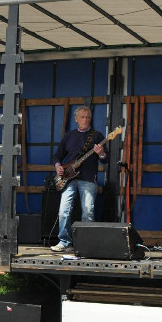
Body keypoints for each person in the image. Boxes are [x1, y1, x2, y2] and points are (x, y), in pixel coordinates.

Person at [51, 106, 108, 252]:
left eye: (88, 117)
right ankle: (65, 241)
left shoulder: (97, 136)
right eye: (82, 117)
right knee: (63, 211)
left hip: (88, 178)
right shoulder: (69, 136)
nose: (85, 119)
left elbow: (104, 159)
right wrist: (58, 166)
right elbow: (57, 155)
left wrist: (101, 153)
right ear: (76, 119)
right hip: (68, 178)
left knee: (87, 212)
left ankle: (86, 244)